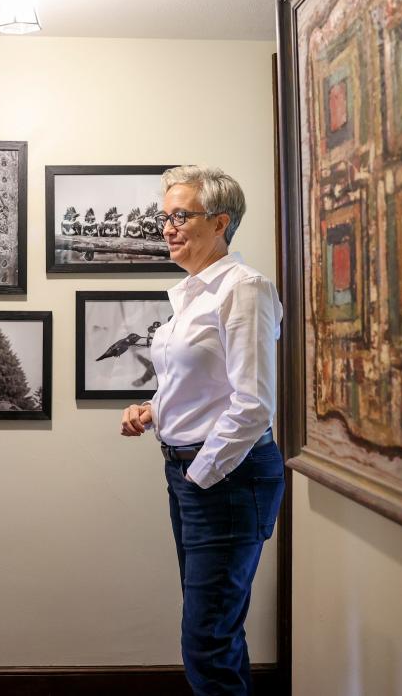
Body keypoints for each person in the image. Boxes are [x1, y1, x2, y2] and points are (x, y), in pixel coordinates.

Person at [120, 166, 285, 695]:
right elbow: (210, 384)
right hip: (195, 474)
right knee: (215, 628)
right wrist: (154, 409)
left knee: (206, 639)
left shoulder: (245, 290)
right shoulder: (192, 294)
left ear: (220, 222)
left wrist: (199, 474)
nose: (167, 227)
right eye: (164, 216)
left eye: (180, 216)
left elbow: (254, 404)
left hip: (226, 480)